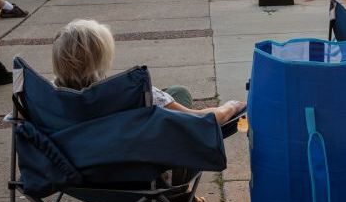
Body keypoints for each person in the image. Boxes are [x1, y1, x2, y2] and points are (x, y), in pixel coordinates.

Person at [52, 19, 244, 125]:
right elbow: (200, 120)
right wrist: (231, 107)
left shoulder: (47, 97)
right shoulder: (135, 94)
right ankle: (178, 193)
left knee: (178, 91)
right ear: (101, 60)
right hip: (136, 178)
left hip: (75, 175)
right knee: (177, 102)